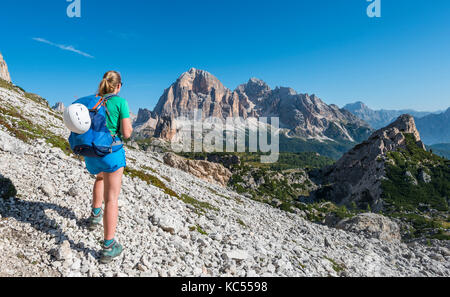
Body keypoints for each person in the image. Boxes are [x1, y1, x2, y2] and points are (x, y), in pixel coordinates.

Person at [84, 71, 133, 264]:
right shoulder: (121, 102)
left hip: (92, 154)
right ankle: (108, 247)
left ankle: (95, 216)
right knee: (111, 200)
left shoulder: (93, 100)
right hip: (111, 155)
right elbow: (127, 134)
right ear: (118, 86)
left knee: (99, 178)